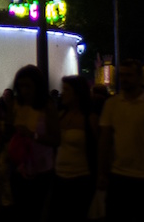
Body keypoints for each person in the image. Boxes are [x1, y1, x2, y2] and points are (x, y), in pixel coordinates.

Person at [97, 58, 144, 222]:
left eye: (129, 75)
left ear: (138, 78)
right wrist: (102, 172)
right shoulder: (112, 104)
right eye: (121, 75)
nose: (124, 79)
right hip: (118, 173)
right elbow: (105, 140)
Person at [5, 64, 56, 220]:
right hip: (18, 166)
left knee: (35, 210)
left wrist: (32, 135)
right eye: (20, 86)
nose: (24, 90)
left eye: (28, 86)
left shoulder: (47, 106)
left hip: (41, 168)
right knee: (19, 209)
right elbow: (8, 132)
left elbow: (56, 139)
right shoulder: (16, 105)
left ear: (37, 86)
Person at [48, 75, 96, 222]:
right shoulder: (60, 115)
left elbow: (97, 149)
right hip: (59, 176)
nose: (63, 93)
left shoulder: (89, 118)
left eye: (67, 90)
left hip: (80, 178)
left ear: (77, 93)